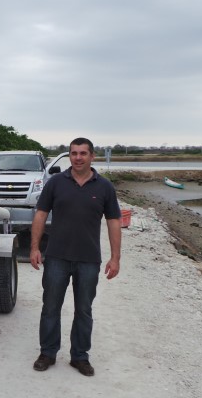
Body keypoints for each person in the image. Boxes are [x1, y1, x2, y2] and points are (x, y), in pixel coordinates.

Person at [30, 137, 122, 376]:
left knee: (84, 310)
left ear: (92, 156)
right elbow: (40, 214)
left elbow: (113, 221)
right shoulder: (55, 183)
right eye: (74, 153)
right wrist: (34, 248)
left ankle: (80, 356)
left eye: (83, 153)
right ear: (69, 156)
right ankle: (48, 353)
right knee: (50, 307)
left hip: (88, 259)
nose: (78, 158)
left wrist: (115, 258)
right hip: (56, 258)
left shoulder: (105, 187)